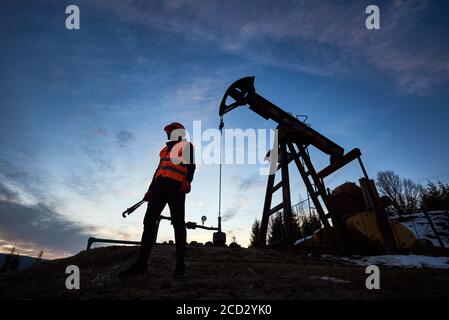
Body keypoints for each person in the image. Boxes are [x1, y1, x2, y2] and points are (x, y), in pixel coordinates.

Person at [119, 122, 195, 278]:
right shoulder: (165, 150)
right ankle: (141, 265)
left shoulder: (186, 146)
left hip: (176, 187)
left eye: (170, 131)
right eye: (167, 132)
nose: (167, 134)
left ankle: (180, 266)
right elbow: (158, 170)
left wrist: (188, 181)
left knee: (178, 224)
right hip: (159, 187)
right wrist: (150, 190)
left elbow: (191, 165)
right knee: (149, 221)